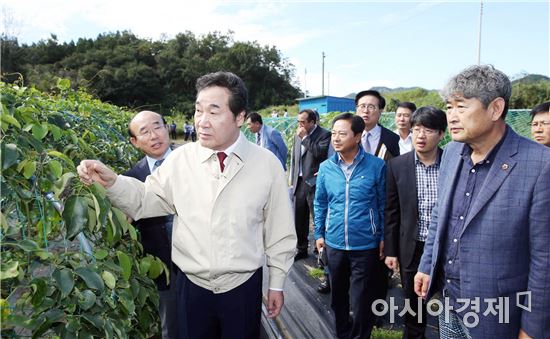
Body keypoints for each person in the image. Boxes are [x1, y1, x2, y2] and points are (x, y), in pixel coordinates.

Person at [77, 71, 297, 339]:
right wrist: (113, 182)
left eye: (214, 112)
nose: (202, 121)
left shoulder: (266, 165)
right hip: (192, 287)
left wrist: (277, 283)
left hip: (242, 286)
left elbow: (279, 230)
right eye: (198, 110)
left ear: (240, 117)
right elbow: (147, 199)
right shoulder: (181, 160)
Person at [414, 65, 550, 339]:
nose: (451, 116)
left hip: (499, 312)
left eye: (461, 106)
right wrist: (427, 265)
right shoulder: (451, 152)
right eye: (448, 107)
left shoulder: (540, 164)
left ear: (495, 108)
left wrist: (533, 328)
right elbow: (441, 215)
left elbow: (544, 258)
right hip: (450, 300)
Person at [314, 113, 386, 339]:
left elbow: (384, 204)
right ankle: (342, 333)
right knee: (338, 298)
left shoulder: (376, 166)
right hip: (334, 243)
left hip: (365, 244)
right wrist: (319, 233)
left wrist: (383, 236)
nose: (335, 138)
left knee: (362, 298)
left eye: (342, 134)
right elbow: (320, 202)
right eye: (334, 133)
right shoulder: (326, 167)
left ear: (357, 136)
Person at [384, 106, 447, 339]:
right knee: (414, 305)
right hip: (412, 246)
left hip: (446, 247)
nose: (420, 136)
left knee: (449, 304)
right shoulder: (397, 166)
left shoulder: (453, 164)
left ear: (441, 134)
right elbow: (391, 211)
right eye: (416, 129)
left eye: (428, 130)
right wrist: (391, 251)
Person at [125, 110, 178, 339]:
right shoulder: (131, 178)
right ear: (134, 142)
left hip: (202, 265)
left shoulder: (194, 163)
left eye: (157, 127)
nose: (154, 136)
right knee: (171, 326)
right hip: (162, 268)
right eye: (144, 132)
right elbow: (125, 223)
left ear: (167, 128)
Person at [290, 109, 331, 260]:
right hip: (299, 181)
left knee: (317, 217)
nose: (300, 125)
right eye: (298, 121)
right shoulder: (297, 134)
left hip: (315, 182)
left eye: (303, 122)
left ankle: (319, 250)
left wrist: (306, 138)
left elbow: (319, 153)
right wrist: (292, 178)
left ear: (312, 122)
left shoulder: (324, 135)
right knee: (299, 217)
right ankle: (301, 248)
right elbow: (295, 158)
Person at [355, 89, 400, 160]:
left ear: (380, 111)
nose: (366, 111)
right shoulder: (348, 135)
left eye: (371, 107)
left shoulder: (393, 139)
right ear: (356, 109)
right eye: (362, 106)